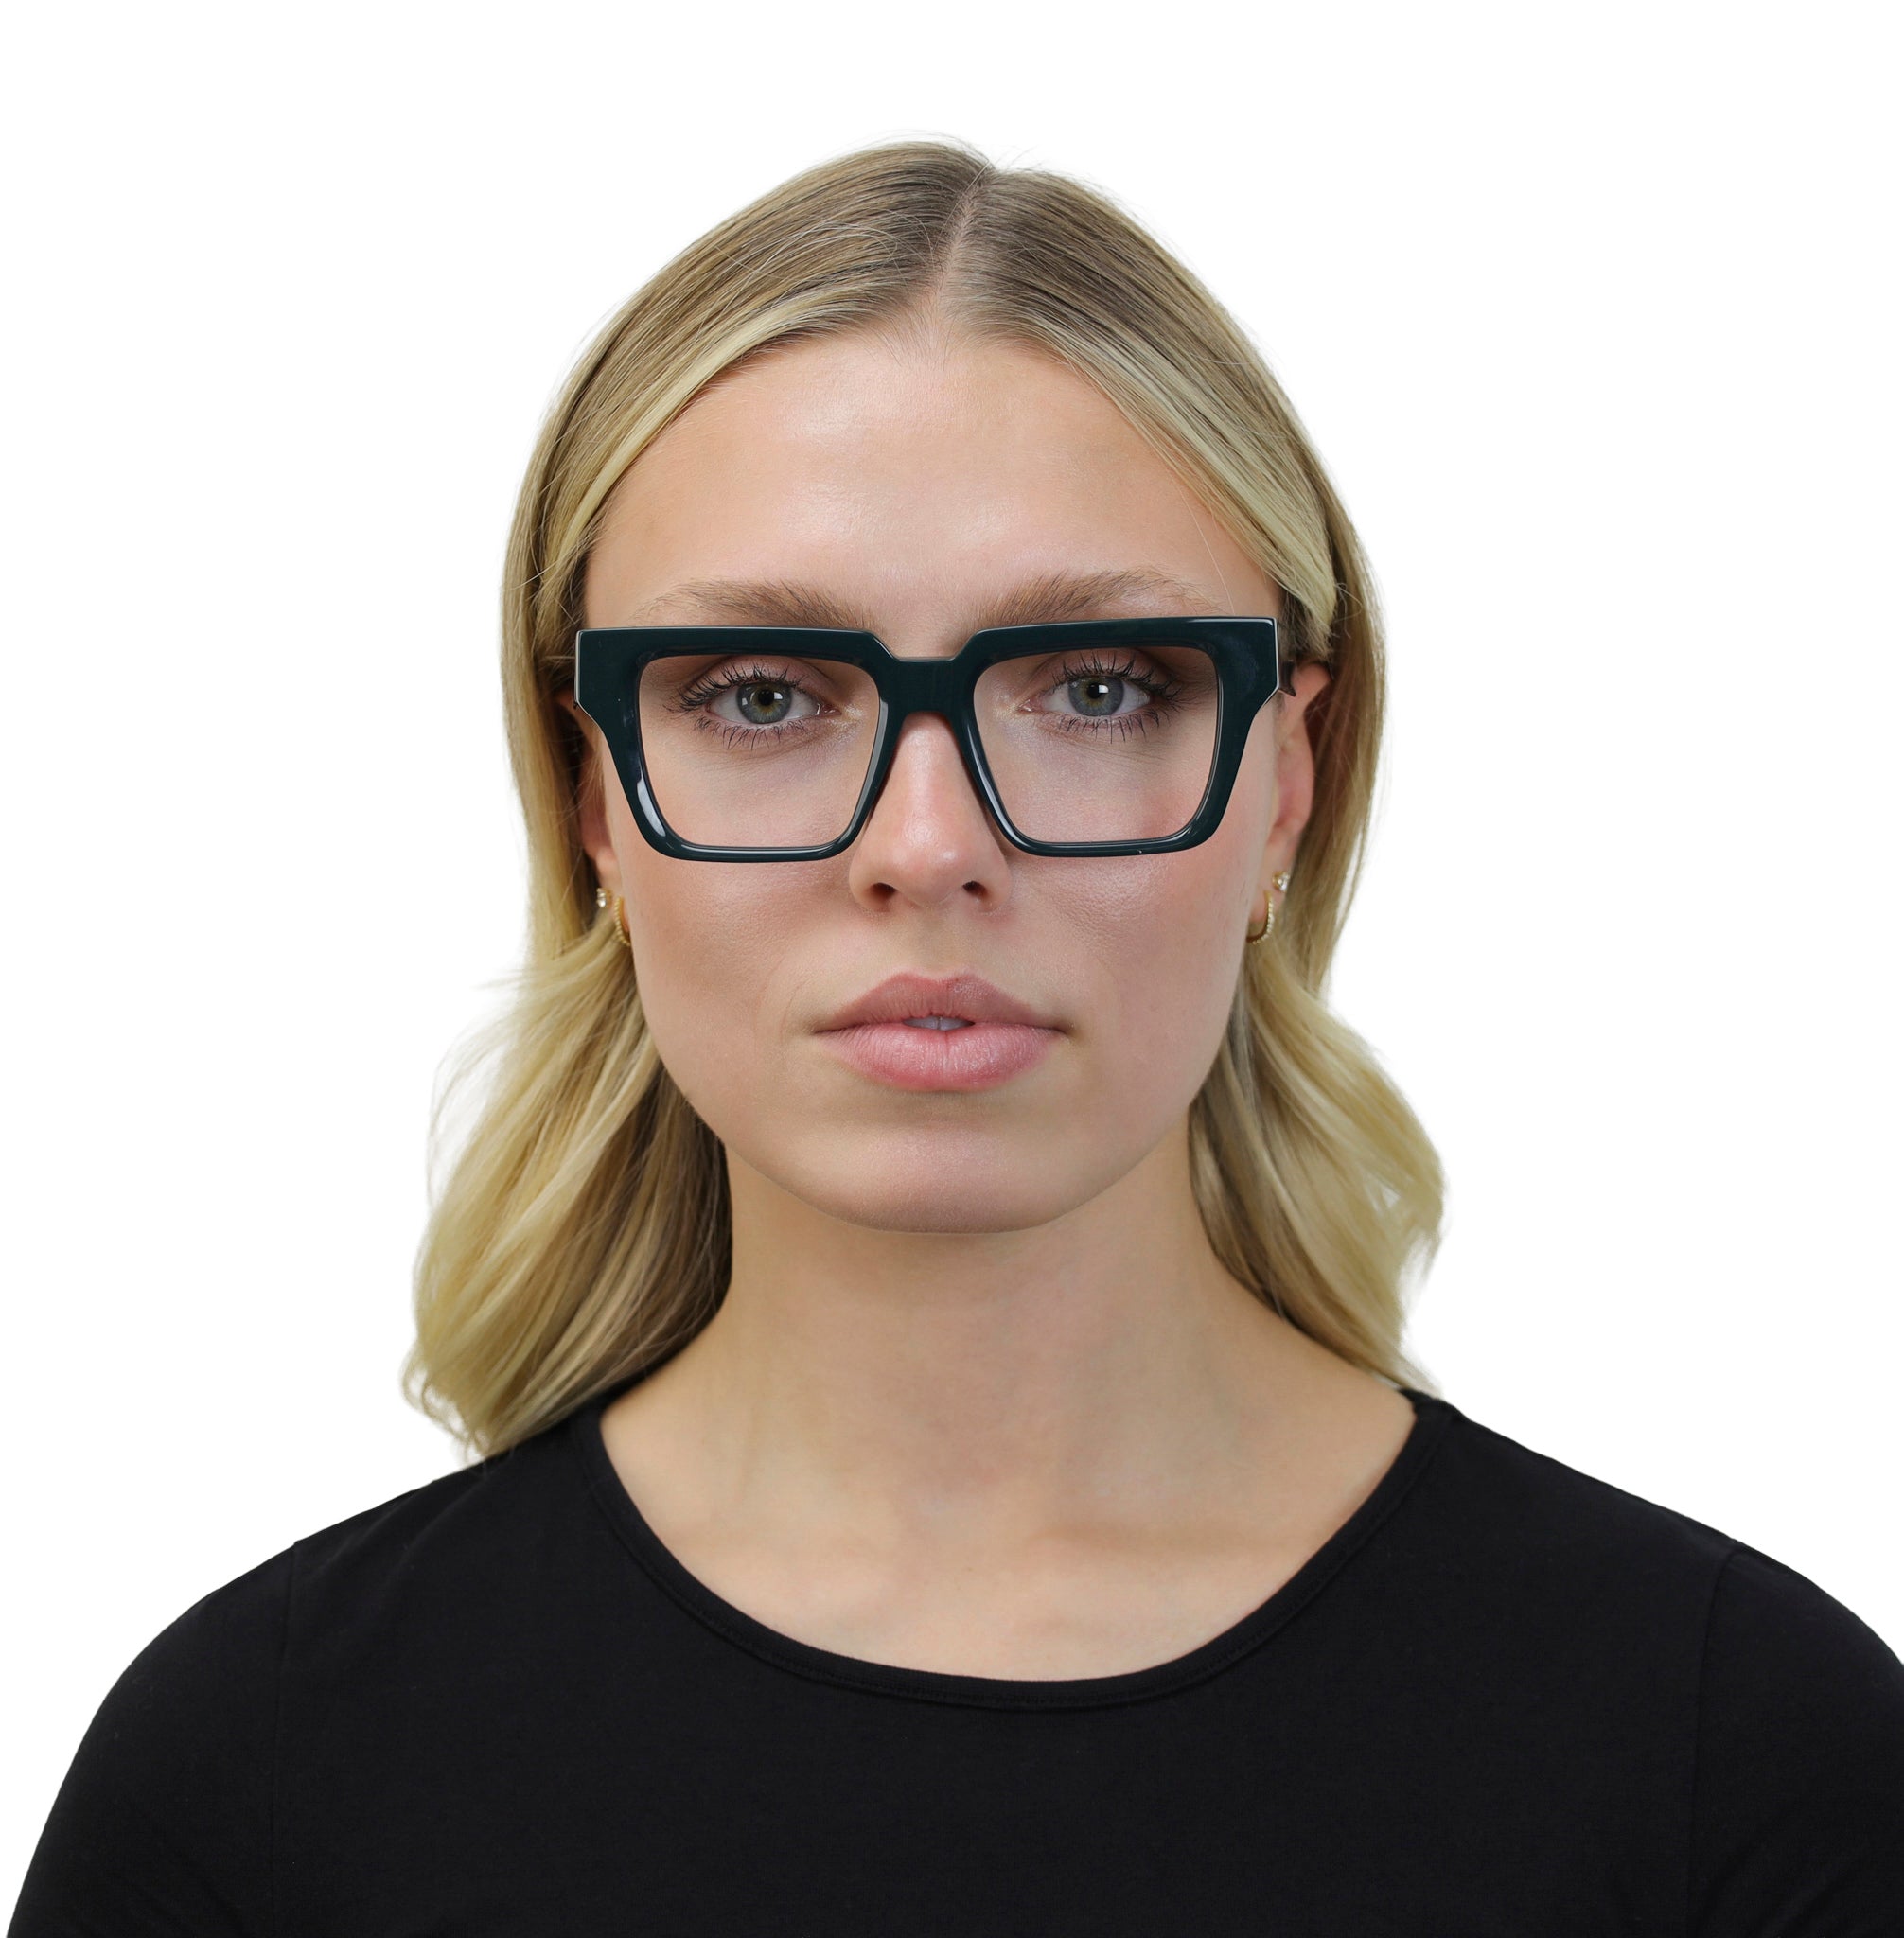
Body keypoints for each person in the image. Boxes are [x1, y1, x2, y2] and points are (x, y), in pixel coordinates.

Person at [11, 136, 1902, 1936]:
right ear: (594, 797)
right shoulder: (256, 1779)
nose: (926, 848)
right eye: (762, 694)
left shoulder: (1742, 1758)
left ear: (1287, 780)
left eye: (1098, 686)